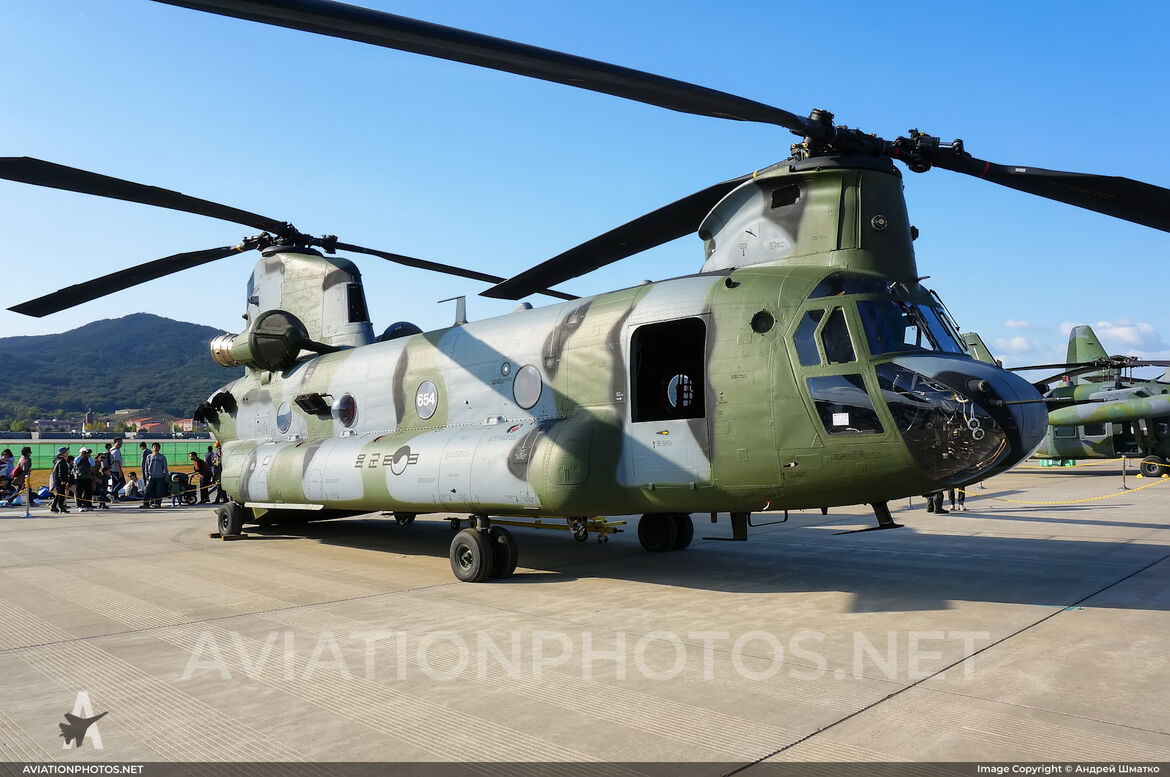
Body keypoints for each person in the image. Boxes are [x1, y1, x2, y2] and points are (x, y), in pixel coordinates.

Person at [144, 443, 169, 508]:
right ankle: (146, 504)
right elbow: (146, 466)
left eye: (157, 447)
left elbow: (165, 467)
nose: (155, 448)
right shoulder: (149, 456)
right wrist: (146, 475)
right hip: (151, 477)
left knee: (159, 491)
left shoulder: (162, 457)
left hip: (160, 477)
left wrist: (166, 476)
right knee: (148, 490)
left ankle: (157, 503)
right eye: (154, 446)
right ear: (152, 448)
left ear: (159, 448)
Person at [49, 446, 71, 514]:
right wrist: (63, 480)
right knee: (61, 494)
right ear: (62, 453)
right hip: (60, 481)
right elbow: (61, 472)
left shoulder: (57, 460)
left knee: (59, 494)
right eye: (66, 452)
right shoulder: (62, 461)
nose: (67, 453)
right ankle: (61, 508)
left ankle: (54, 507)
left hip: (57, 480)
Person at [73, 448, 94, 512]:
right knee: (79, 492)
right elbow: (75, 462)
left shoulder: (88, 458)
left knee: (88, 492)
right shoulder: (78, 458)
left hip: (87, 477)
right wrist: (81, 455)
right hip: (79, 477)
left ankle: (88, 505)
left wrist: (89, 457)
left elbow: (93, 464)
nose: (86, 454)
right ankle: (79, 505)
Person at [108, 437, 126, 502]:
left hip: (112, 469)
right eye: (118, 443)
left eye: (121, 443)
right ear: (115, 443)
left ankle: (114, 498)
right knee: (122, 482)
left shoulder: (111, 450)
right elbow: (117, 461)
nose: (120, 444)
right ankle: (112, 494)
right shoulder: (116, 451)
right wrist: (120, 471)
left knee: (115, 483)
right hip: (116, 469)